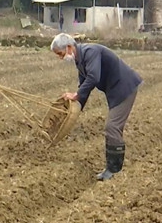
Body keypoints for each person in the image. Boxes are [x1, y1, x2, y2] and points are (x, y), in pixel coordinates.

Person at [51, 33, 142, 181]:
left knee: (112, 127)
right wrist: (75, 108)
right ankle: (112, 169)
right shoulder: (79, 60)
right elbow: (84, 86)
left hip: (124, 88)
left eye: (61, 54)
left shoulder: (90, 52)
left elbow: (93, 77)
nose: (61, 58)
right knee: (113, 127)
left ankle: (114, 170)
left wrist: (75, 95)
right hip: (114, 90)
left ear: (68, 47)